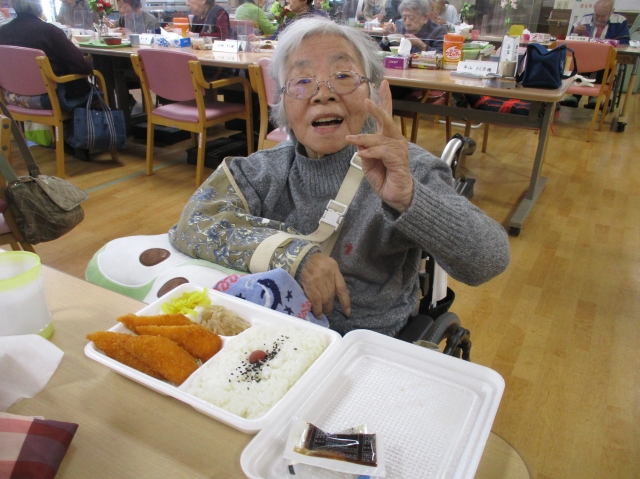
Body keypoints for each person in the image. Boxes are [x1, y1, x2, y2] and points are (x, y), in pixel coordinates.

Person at [169, 17, 510, 336]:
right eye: (302, 81)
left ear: (372, 91)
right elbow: (192, 223)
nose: (323, 94)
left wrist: (409, 198)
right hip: (272, 333)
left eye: (343, 76)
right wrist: (294, 256)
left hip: (365, 343)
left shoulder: (407, 169)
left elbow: (489, 260)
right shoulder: (263, 171)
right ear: (283, 102)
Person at [0, 0, 94, 112]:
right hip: (50, 99)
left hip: (12, 97)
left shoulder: (2, 32)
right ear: (39, 8)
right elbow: (83, 67)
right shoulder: (49, 31)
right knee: (94, 84)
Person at [562, 0, 628, 109]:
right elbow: (570, 40)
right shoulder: (584, 20)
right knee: (581, 60)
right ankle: (575, 95)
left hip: (606, 57)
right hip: (587, 56)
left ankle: (595, 97)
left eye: (603, 16)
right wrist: (575, 32)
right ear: (594, 9)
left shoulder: (620, 21)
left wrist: (607, 45)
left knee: (605, 62)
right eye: (597, 15)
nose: (599, 19)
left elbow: (624, 43)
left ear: (612, 11)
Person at [382, 0, 446, 53]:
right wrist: (386, 38)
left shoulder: (438, 31)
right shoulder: (400, 28)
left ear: (424, 17)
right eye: (404, 18)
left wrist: (421, 45)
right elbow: (383, 53)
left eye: (411, 18)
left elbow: (441, 56)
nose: (407, 23)